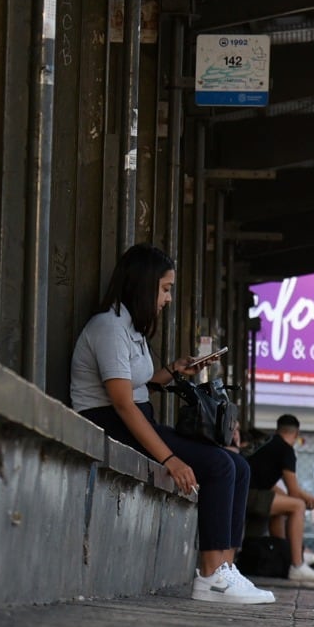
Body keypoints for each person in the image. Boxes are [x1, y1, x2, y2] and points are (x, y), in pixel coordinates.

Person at [70, 244, 273, 605]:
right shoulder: (108, 327)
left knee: (238, 466)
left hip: (132, 418)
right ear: (144, 285)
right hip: (110, 423)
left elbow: (135, 384)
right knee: (218, 466)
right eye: (165, 289)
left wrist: (174, 371)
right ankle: (211, 575)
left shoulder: (130, 328)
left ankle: (227, 566)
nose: (167, 299)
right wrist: (170, 459)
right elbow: (120, 402)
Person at [247, 414, 314, 583]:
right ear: (296, 433)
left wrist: (306, 500)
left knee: (286, 507)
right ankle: (297, 566)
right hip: (248, 495)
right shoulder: (286, 450)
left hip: (243, 493)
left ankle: (284, 558)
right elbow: (294, 491)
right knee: (297, 506)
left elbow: (270, 485)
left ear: (278, 429)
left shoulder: (268, 444)